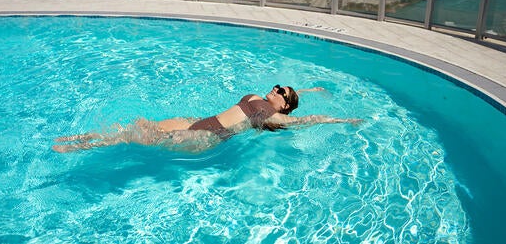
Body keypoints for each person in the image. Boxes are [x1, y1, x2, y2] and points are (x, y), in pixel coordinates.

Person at [52, 85, 362, 153]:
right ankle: (88, 137)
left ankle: (84, 146)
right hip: (197, 120)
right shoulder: (259, 98)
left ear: (284, 105)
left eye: (282, 91)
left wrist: (342, 121)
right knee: (142, 123)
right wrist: (312, 88)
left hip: (207, 138)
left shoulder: (276, 118)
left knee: (141, 135)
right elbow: (293, 95)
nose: (277, 88)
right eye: (278, 85)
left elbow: (309, 119)